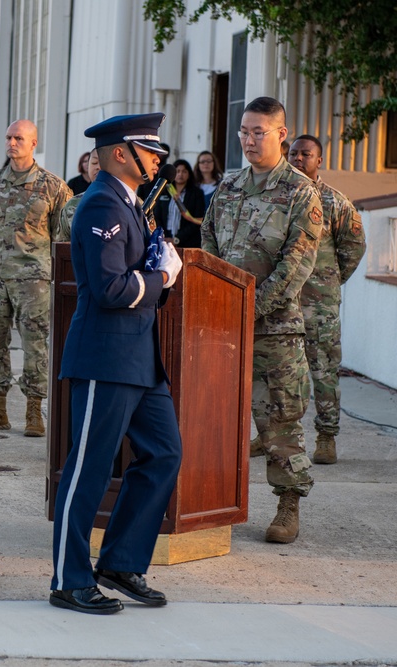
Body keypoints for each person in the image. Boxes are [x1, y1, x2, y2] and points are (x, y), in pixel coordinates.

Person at [49, 112, 183, 615]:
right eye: (150, 151)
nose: (157, 159)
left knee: (164, 455)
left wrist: (156, 263)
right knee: (88, 470)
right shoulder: (101, 204)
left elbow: (133, 274)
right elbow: (108, 289)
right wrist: (162, 279)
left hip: (139, 358)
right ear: (121, 153)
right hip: (106, 356)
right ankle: (69, 578)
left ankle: (121, 562)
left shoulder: (130, 204)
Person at [201, 97, 323, 544]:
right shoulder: (228, 187)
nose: (250, 140)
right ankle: (209, 501)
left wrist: (246, 307)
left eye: (259, 132)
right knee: (212, 417)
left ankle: (287, 505)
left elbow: (295, 266)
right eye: (244, 132)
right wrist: (215, 301)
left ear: (281, 134)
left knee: (280, 422)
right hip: (221, 325)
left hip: (274, 330)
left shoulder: (299, 194)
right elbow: (208, 242)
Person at [0, 119, 72, 437]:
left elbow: (61, 232)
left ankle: (34, 410)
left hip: (33, 281)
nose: (12, 142)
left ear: (34, 143)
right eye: (8, 137)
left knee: (35, 346)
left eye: (19, 137)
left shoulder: (53, 186)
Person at [288, 134, 367, 464]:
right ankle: (276, 435)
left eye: (306, 154)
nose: (298, 159)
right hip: (281, 303)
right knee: (280, 372)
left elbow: (354, 247)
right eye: (293, 153)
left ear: (319, 160)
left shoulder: (335, 202)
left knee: (323, 371)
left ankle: (326, 436)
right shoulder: (277, 197)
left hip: (319, 305)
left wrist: (329, 282)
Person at [153, 158, 206, 248]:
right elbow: (157, 216)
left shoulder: (196, 193)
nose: (180, 174)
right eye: (177, 171)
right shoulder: (164, 191)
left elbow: (197, 220)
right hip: (165, 241)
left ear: (189, 174)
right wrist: (165, 237)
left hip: (189, 242)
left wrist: (177, 239)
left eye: (184, 171)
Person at [60, 148, 100, 240]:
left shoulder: (130, 201)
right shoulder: (73, 184)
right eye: (94, 163)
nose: (98, 167)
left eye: (101, 163)